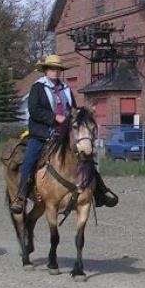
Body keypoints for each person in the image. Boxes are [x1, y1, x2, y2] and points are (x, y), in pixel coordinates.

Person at [10, 55, 118, 213]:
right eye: (52, 68)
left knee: (86, 156)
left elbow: (72, 109)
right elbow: (34, 111)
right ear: (46, 70)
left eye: (58, 69)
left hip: (65, 133)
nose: (55, 72)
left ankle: (100, 191)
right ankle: (21, 195)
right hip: (42, 133)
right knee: (30, 158)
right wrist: (55, 117)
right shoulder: (37, 87)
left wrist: (80, 115)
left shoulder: (65, 88)